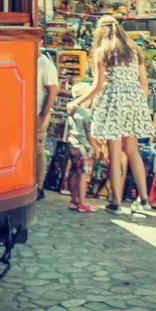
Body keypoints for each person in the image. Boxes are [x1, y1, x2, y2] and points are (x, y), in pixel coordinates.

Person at [80, 15, 153, 214]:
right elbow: (144, 82)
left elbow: (98, 85)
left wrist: (78, 102)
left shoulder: (101, 52)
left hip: (112, 102)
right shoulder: (134, 50)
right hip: (135, 101)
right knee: (132, 150)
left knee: (114, 152)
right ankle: (144, 199)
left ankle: (116, 203)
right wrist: (139, 104)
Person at [64, 81, 97, 212]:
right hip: (84, 146)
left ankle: (74, 200)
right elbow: (89, 132)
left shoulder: (72, 111)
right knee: (83, 174)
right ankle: (83, 202)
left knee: (74, 172)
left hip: (73, 144)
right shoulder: (86, 113)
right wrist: (96, 147)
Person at [37, 41, 58, 200]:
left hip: (38, 114)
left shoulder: (45, 64)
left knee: (37, 151)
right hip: (27, 114)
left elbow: (52, 92)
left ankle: (39, 186)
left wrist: (42, 116)